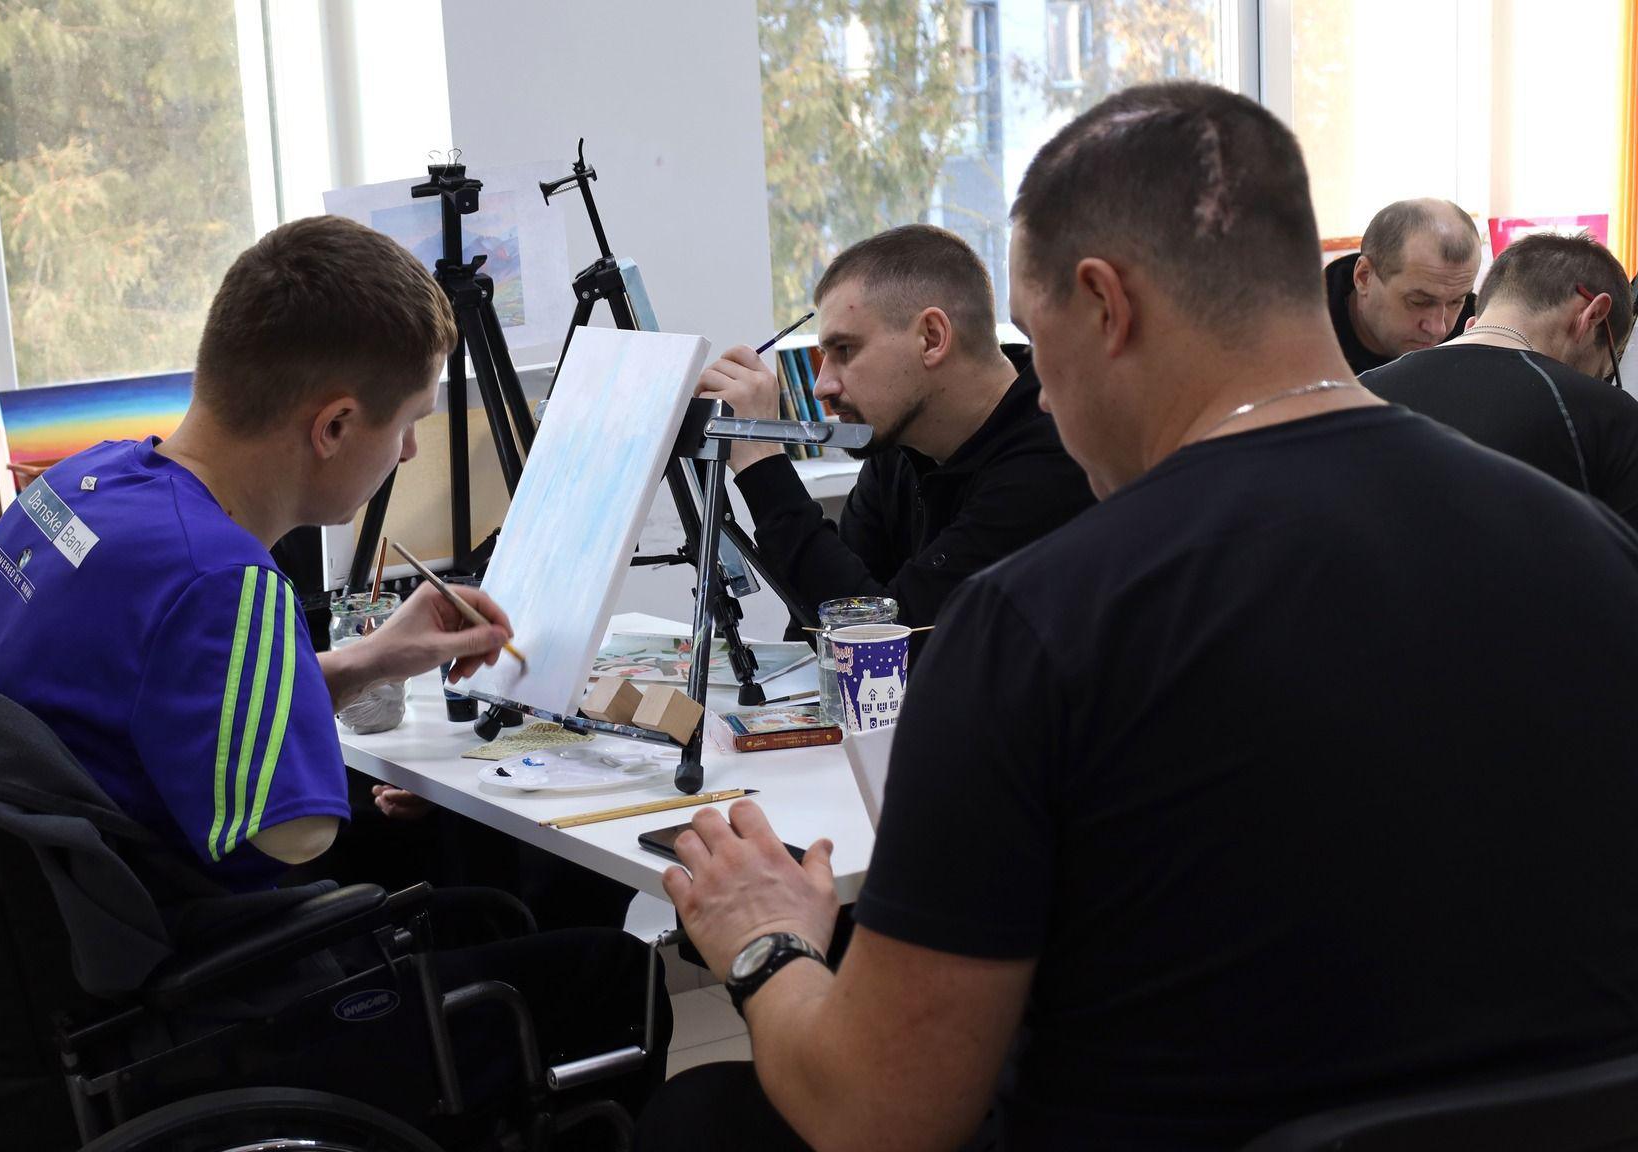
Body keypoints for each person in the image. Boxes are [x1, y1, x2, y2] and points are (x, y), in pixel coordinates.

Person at [637, 82, 1638, 1152]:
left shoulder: (1039, 623)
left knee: (702, 1118)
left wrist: (765, 943)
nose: (1042, 396)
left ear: (1105, 305)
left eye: (1034, 340)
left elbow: (877, 1115)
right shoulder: (1597, 553)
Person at [0, 215, 664, 1129]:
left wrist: (370, 660)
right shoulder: (225, 579)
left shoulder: (71, 491)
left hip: (69, 953)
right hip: (204, 1003)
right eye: (407, 423)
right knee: (609, 974)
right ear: (333, 425)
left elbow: (152, 693)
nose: (409, 452)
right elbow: (288, 840)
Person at [694, 224, 1092, 629]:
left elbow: (894, 649)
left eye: (844, 350)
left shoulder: (1052, 459)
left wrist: (763, 466)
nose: (821, 387)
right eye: (823, 356)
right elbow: (819, 627)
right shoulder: (900, 449)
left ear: (932, 338)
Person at [1363, 232, 1638, 527]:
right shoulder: (1607, 415)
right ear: (1592, 314)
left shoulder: (1360, 393)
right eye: (1602, 370)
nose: (1597, 380)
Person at [1326, 198, 1482, 373]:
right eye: (1418, 301)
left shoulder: (1479, 333)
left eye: (1455, 302)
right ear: (1364, 277)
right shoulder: (1299, 339)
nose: (1438, 328)